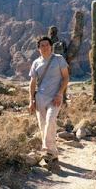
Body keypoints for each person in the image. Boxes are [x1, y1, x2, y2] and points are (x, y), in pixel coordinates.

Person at [29, 36, 69, 164]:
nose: (45, 47)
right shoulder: (36, 63)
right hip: (40, 97)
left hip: (55, 97)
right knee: (43, 125)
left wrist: (59, 94)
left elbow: (66, 78)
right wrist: (31, 100)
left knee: (50, 120)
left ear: (51, 46)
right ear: (38, 49)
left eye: (47, 45)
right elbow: (32, 82)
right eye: (42, 45)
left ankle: (46, 148)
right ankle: (53, 153)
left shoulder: (59, 59)